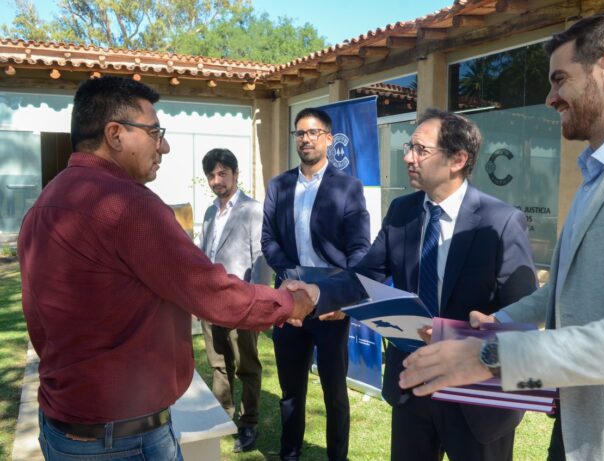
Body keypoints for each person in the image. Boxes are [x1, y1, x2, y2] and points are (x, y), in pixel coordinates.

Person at [399, 11, 604, 461]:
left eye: (560, 80)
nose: (550, 97)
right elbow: (568, 287)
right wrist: (499, 321)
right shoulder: (599, 171)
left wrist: (492, 355)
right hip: (577, 426)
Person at [18, 76, 315, 460]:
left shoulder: (44, 205)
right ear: (115, 134)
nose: (165, 146)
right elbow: (208, 290)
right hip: (122, 438)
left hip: (61, 427)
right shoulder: (127, 205)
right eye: (154, 132)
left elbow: (41, 319)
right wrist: (289, 303)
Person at [316, 108, 537, 461]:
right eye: (410, 147)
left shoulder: (501, 222)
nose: (408, 157)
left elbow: (521, 312)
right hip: (413, 386)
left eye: (421, 150)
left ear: (458, 160)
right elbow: (366, 275)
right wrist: (319, 295)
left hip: (477, 396)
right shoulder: (402, 211)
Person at [261, 107, 371, 461]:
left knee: (334, 393)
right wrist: (291, 278)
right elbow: (268, 240)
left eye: (312, 133)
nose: (305, 139)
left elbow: (359, 250)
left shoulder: (348, 187)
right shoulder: (279, 185)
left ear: (328, 138)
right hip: (290, 301)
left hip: (330, 307)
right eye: (300, 133)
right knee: (291, 391)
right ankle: (289, 454)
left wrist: (343, 299)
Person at [199, 148, 271, 452]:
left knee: (247, 368)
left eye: (222, 174)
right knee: (218, 365)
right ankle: (223, 417)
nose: (217, 180)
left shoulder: (253, 210)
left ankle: (249, 423)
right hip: (210, 304)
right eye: (211, 175)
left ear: (236, 174)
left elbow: (262, 259)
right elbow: (205, 256)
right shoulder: (209, 212)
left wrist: (257, 303)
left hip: (242, 305)